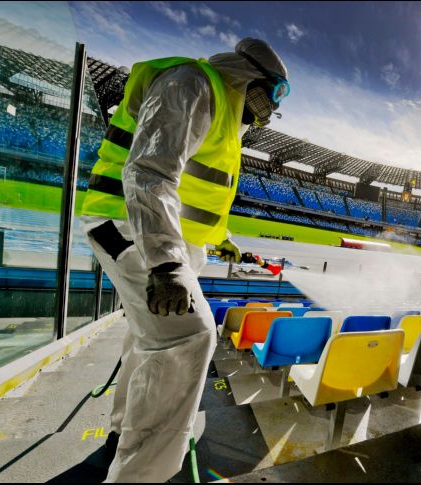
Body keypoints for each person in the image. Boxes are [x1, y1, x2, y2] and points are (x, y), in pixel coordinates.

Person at [79, 38, 289, 482]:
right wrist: (167, 263)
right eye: (276, 94)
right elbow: (149, 173)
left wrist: (223, 241)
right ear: (250, 75)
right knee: (189, 337)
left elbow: (194, 197)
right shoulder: (193, 84)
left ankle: (123, 438)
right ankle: (142, 475)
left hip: (161, 237)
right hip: (128, 225)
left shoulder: (223, 116)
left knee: (150, 338)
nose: (273, 110)